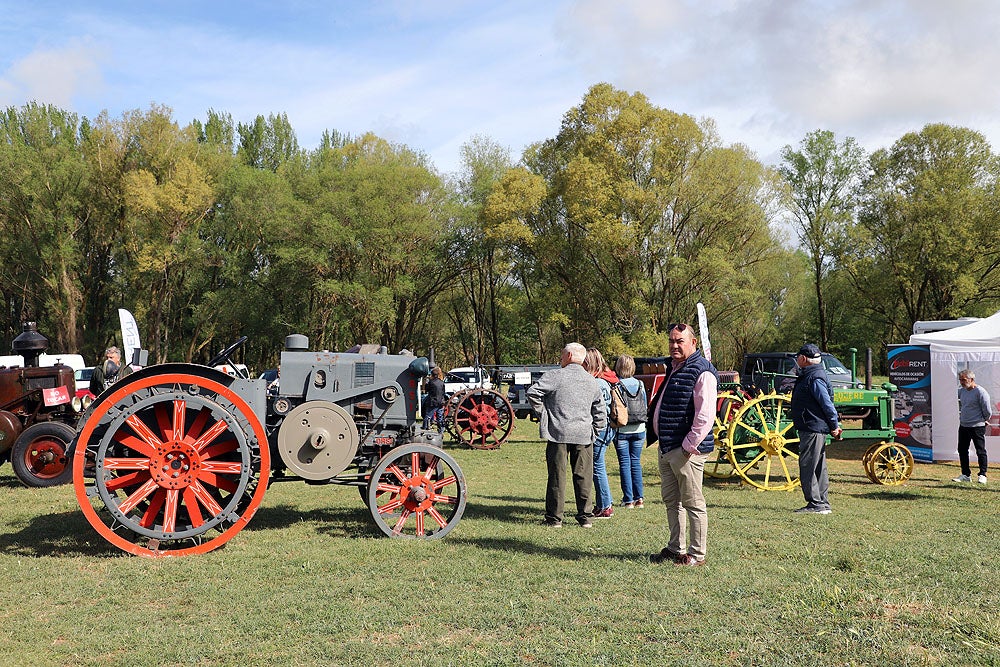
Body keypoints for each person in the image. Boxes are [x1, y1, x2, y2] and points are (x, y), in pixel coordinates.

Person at [647, 323, 718, 566]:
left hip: (686, 451)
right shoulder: (674, 367)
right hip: (667, 447)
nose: (674, 345)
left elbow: (705, 415)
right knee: (671, 500)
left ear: (693, 343)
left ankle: (697, 555)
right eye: (672, 340)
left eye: (680, 341)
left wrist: (689, 446)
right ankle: (675, 547)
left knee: (693, 502)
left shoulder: (702, 370)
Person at [527, 342, 606, 528]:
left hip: (558, 433)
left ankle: (554, 519)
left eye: (562, 354)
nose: (560, 358)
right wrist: (595, 430)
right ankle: (585, 517)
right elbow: (600, 410)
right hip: (584, 435)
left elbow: (533, 393)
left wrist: (544, 414)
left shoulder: (555, 376)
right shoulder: (591, 380)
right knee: (583, 477)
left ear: (569, 356)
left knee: (557, 476)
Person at [789, 343, 842, 514]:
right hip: (813, 426)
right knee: (818, 466)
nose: (797, 360)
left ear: (803, 358)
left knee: (809, 466)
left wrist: (834, 425)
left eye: (798, 357)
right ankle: (822, 503)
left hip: (812, 427)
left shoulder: (814, 377)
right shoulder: (812, 374)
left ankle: (816, 504)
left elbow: (827, 404)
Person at [584, 348, 618, 518]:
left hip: (599, 429)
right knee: (598, 466)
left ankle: (605, 506)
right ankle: (602, 504)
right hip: (608, 428)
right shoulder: (607, 380)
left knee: (597, 467)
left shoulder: (596, 383)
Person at [614, 354, 647, 509]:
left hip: (622, 429)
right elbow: (645, 403)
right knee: (636, 462)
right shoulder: (640, 384)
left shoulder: (617, 385)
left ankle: (628, 500)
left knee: (625, 464)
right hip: (640, 428)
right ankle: (639, 498)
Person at [953, 369, 992, 484]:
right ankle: (965, 475)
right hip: (964, 425)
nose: (961, 382)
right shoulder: (962, 391)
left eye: (964, 380)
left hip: (977, 426)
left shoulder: (981, 392)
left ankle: (982, 475)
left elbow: (987, 410)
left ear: (972, 379)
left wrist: (984, 420)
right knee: (962, 450)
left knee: (980, 451)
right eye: (960, 380)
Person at [423, 367, 447, 432]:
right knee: (440, 418)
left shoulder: (431, 382)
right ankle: (441, 432)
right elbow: (443, 392)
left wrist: (426, 382)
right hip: (441, 402)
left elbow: (426, 390)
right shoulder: (442, 382)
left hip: (432, 402)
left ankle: (424, 429)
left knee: (427, 417)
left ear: (432, 375)